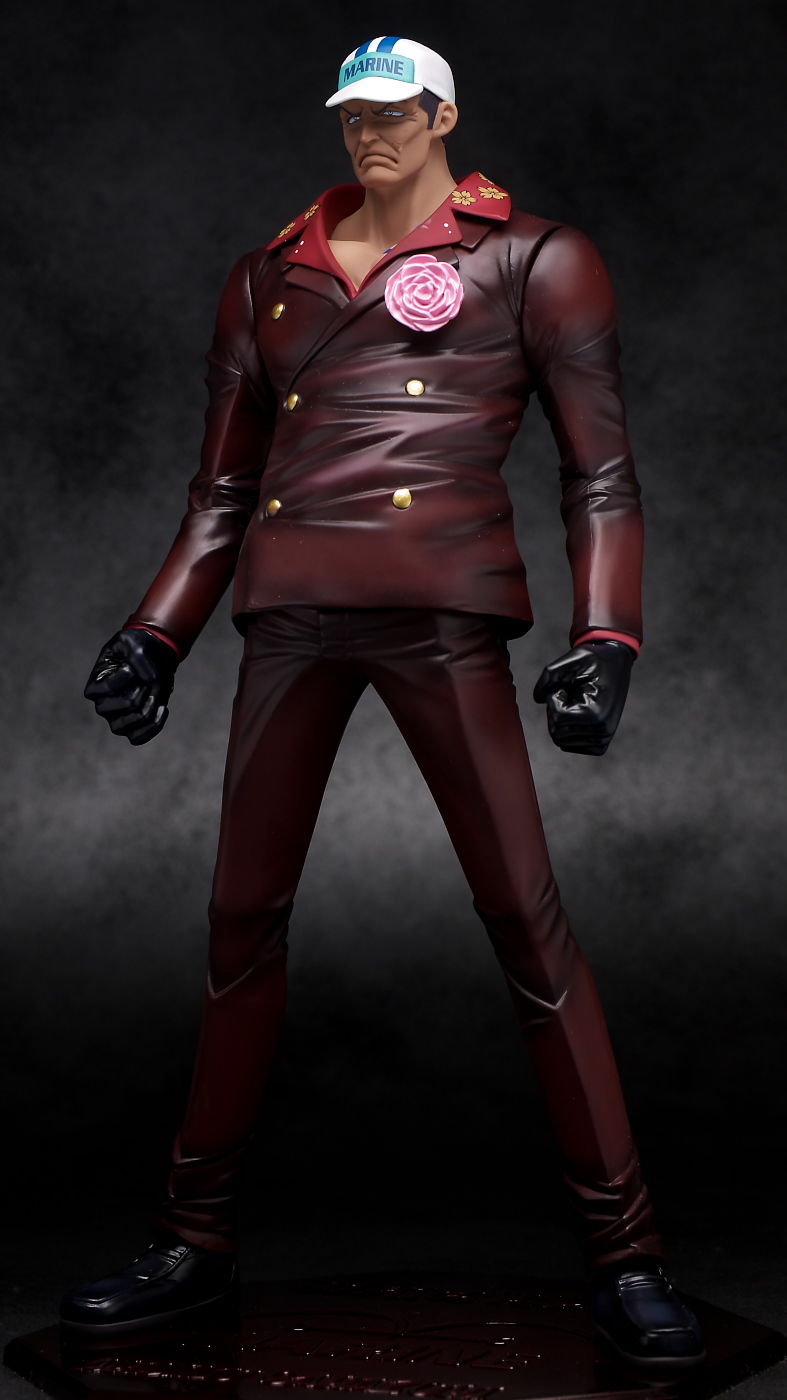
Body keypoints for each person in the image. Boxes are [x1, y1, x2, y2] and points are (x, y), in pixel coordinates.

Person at [60, 36, 704, 1368]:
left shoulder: (534, 260)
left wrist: (608, 634)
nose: (371, 133)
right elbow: (222, 492)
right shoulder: (269, 274)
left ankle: (630, 1255)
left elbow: (601, 475)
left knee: (525, 923)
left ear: (444, 115)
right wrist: (154, 633)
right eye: (354, 113)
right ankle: (194, 1241)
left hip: (439, 608)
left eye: (396, 112)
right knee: (239, 922)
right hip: (290, 610)